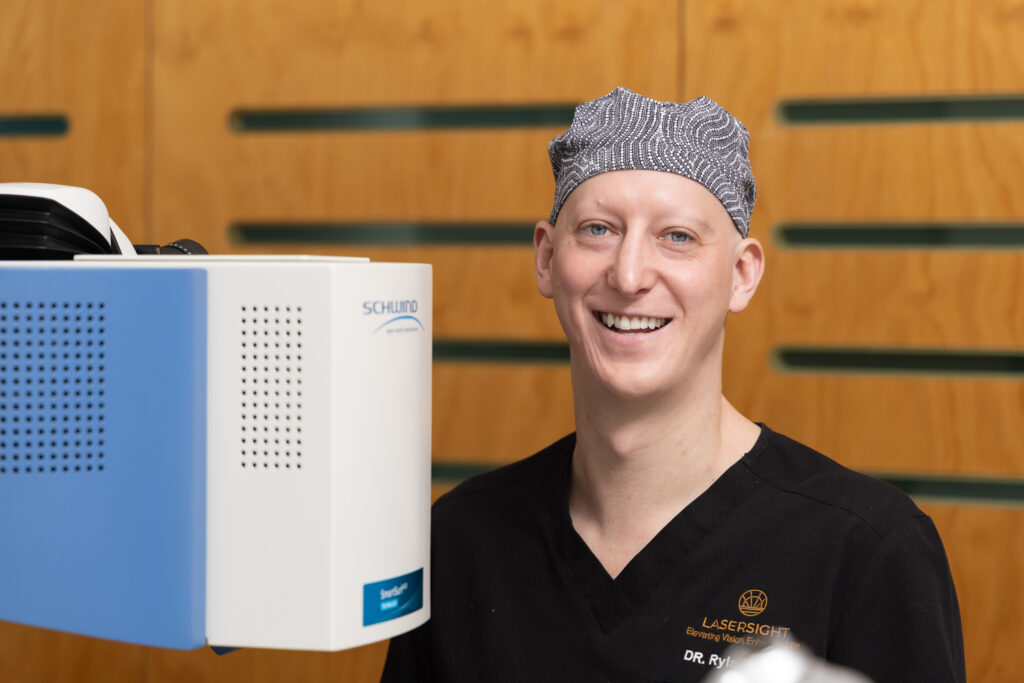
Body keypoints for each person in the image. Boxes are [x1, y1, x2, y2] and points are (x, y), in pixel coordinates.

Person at [381, 88, 965, 683]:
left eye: (677, 236)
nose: (629, 274)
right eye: (599, 229)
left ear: (742, 275)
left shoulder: (865, 551)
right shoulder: (458, 542)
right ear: (546, 259)